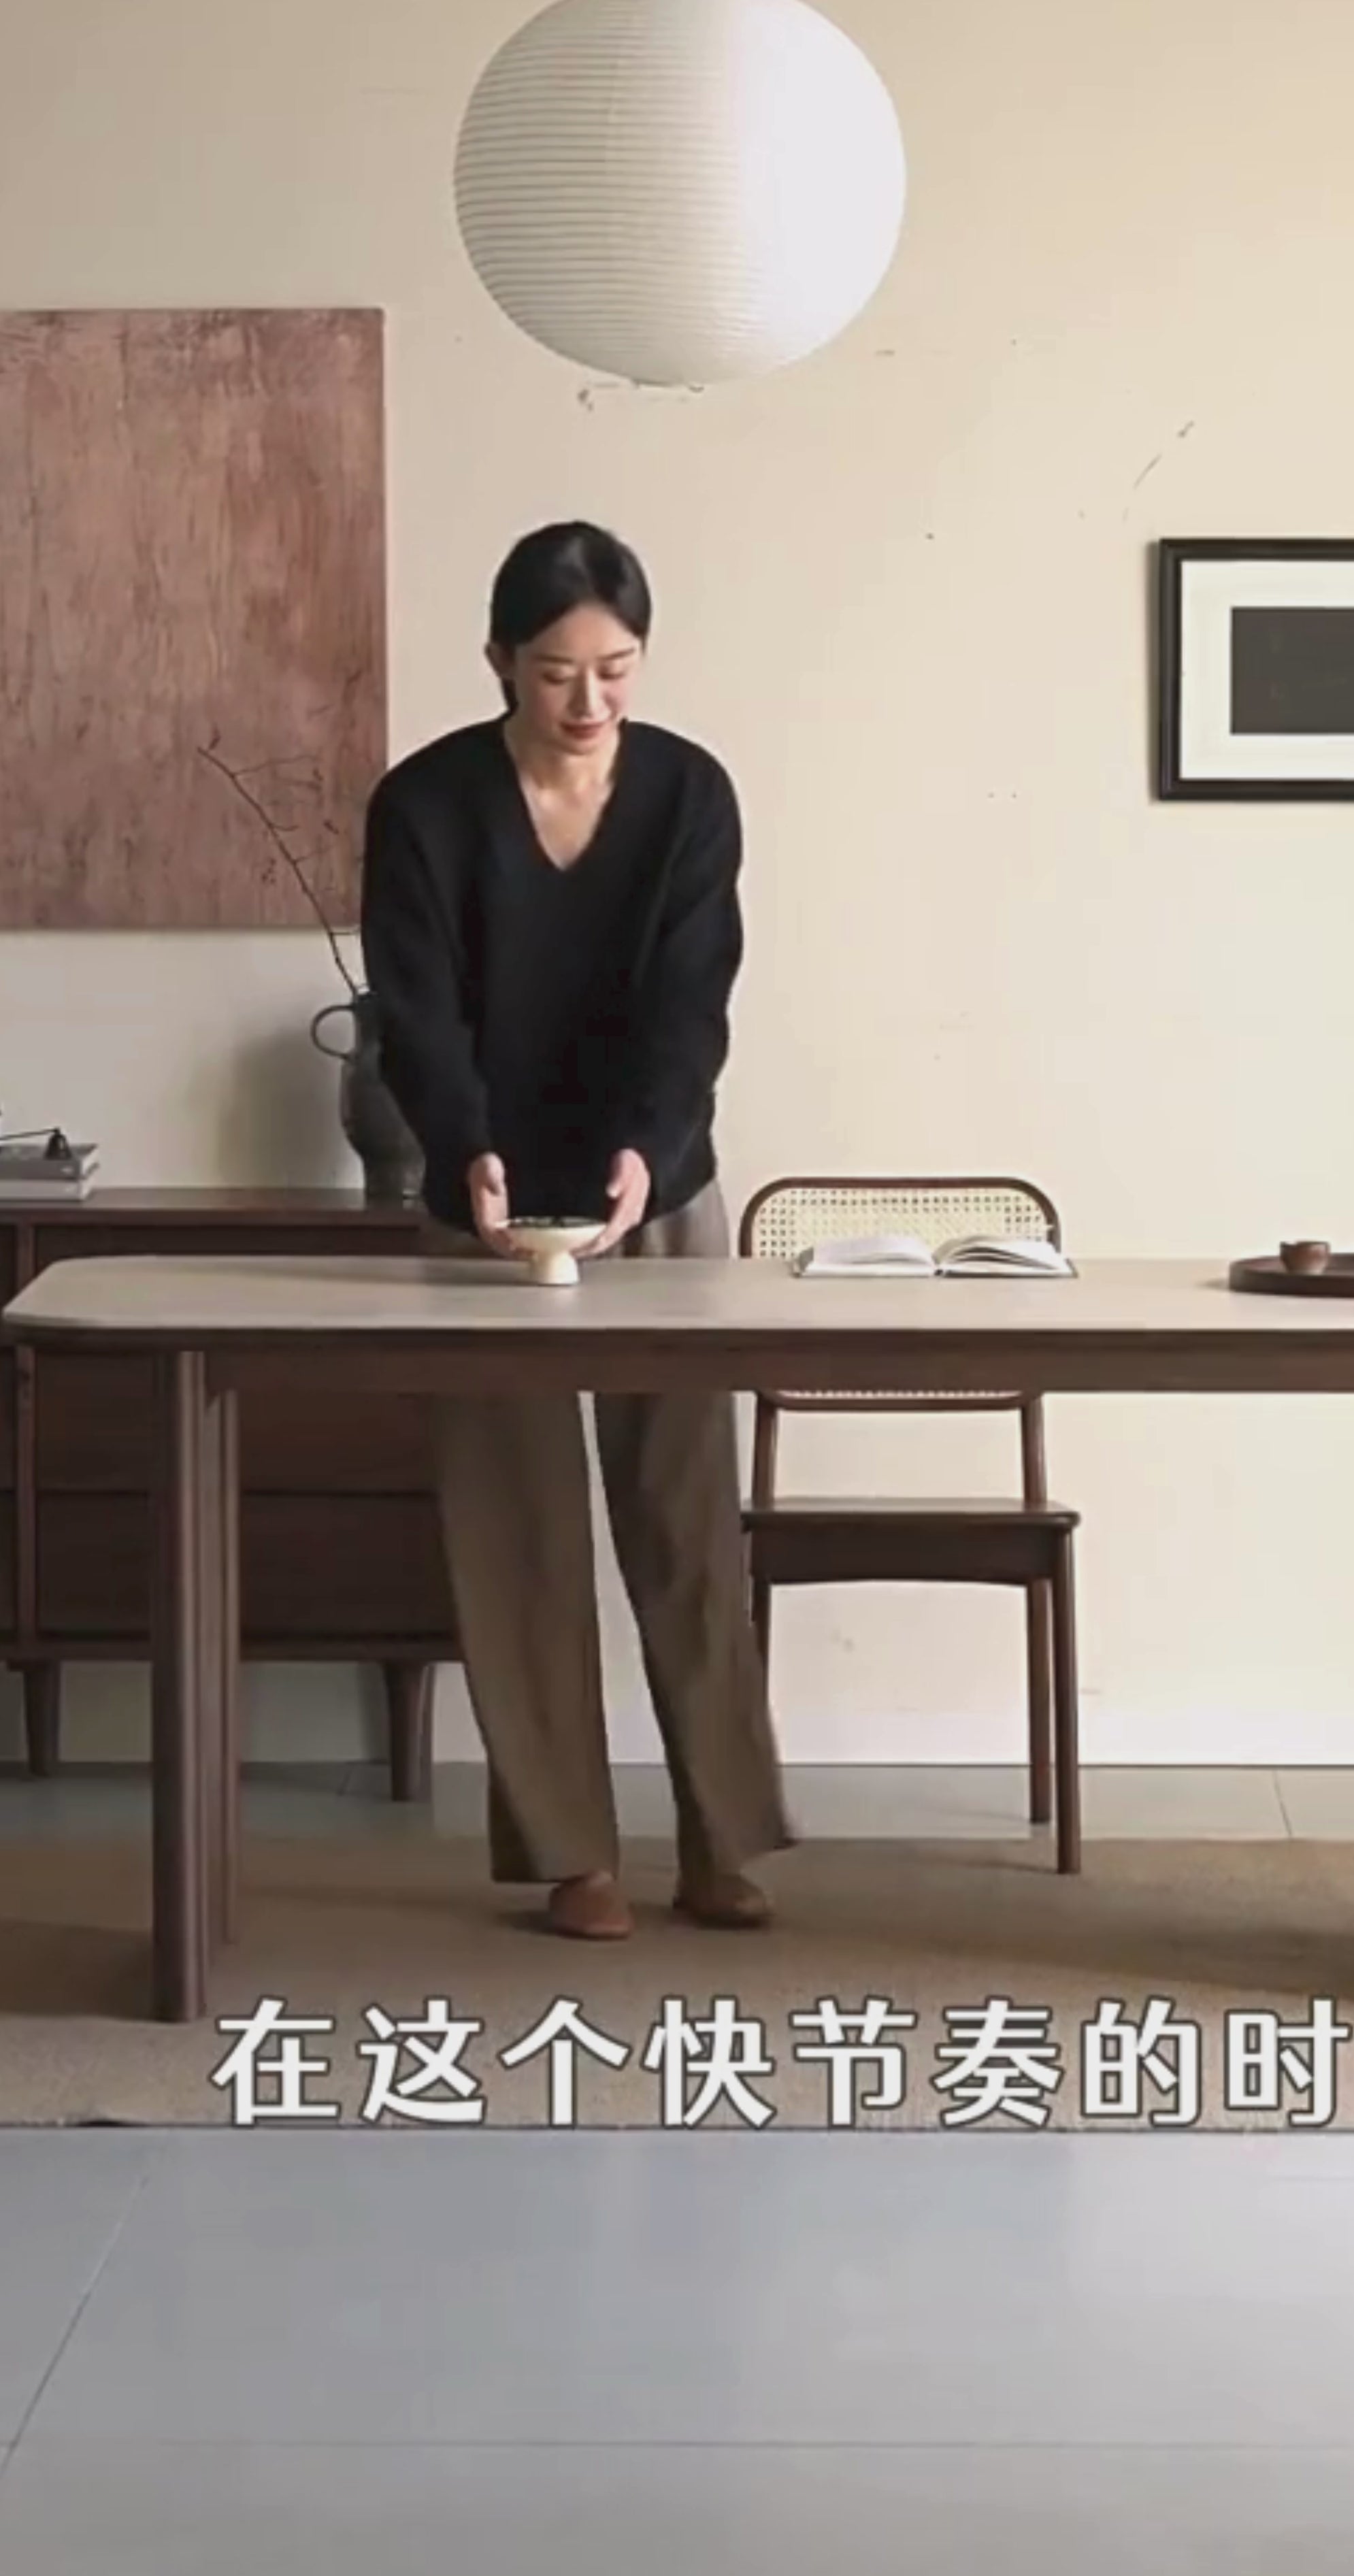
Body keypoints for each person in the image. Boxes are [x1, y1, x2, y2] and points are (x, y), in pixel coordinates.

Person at [359, 519, 794, 1941]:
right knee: (517, 1531)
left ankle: (721, 1840)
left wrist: (644, 1157)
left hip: (650, 1190)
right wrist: (465, 1153)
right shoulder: (426, 805)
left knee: (683, 1514)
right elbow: (417, 1012)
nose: (590, 700)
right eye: (557, 673)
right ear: (500, 661)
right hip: (484, 1200)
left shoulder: (689, 794)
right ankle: (572, 1852)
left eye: (616, 668)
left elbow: (692, 1003)